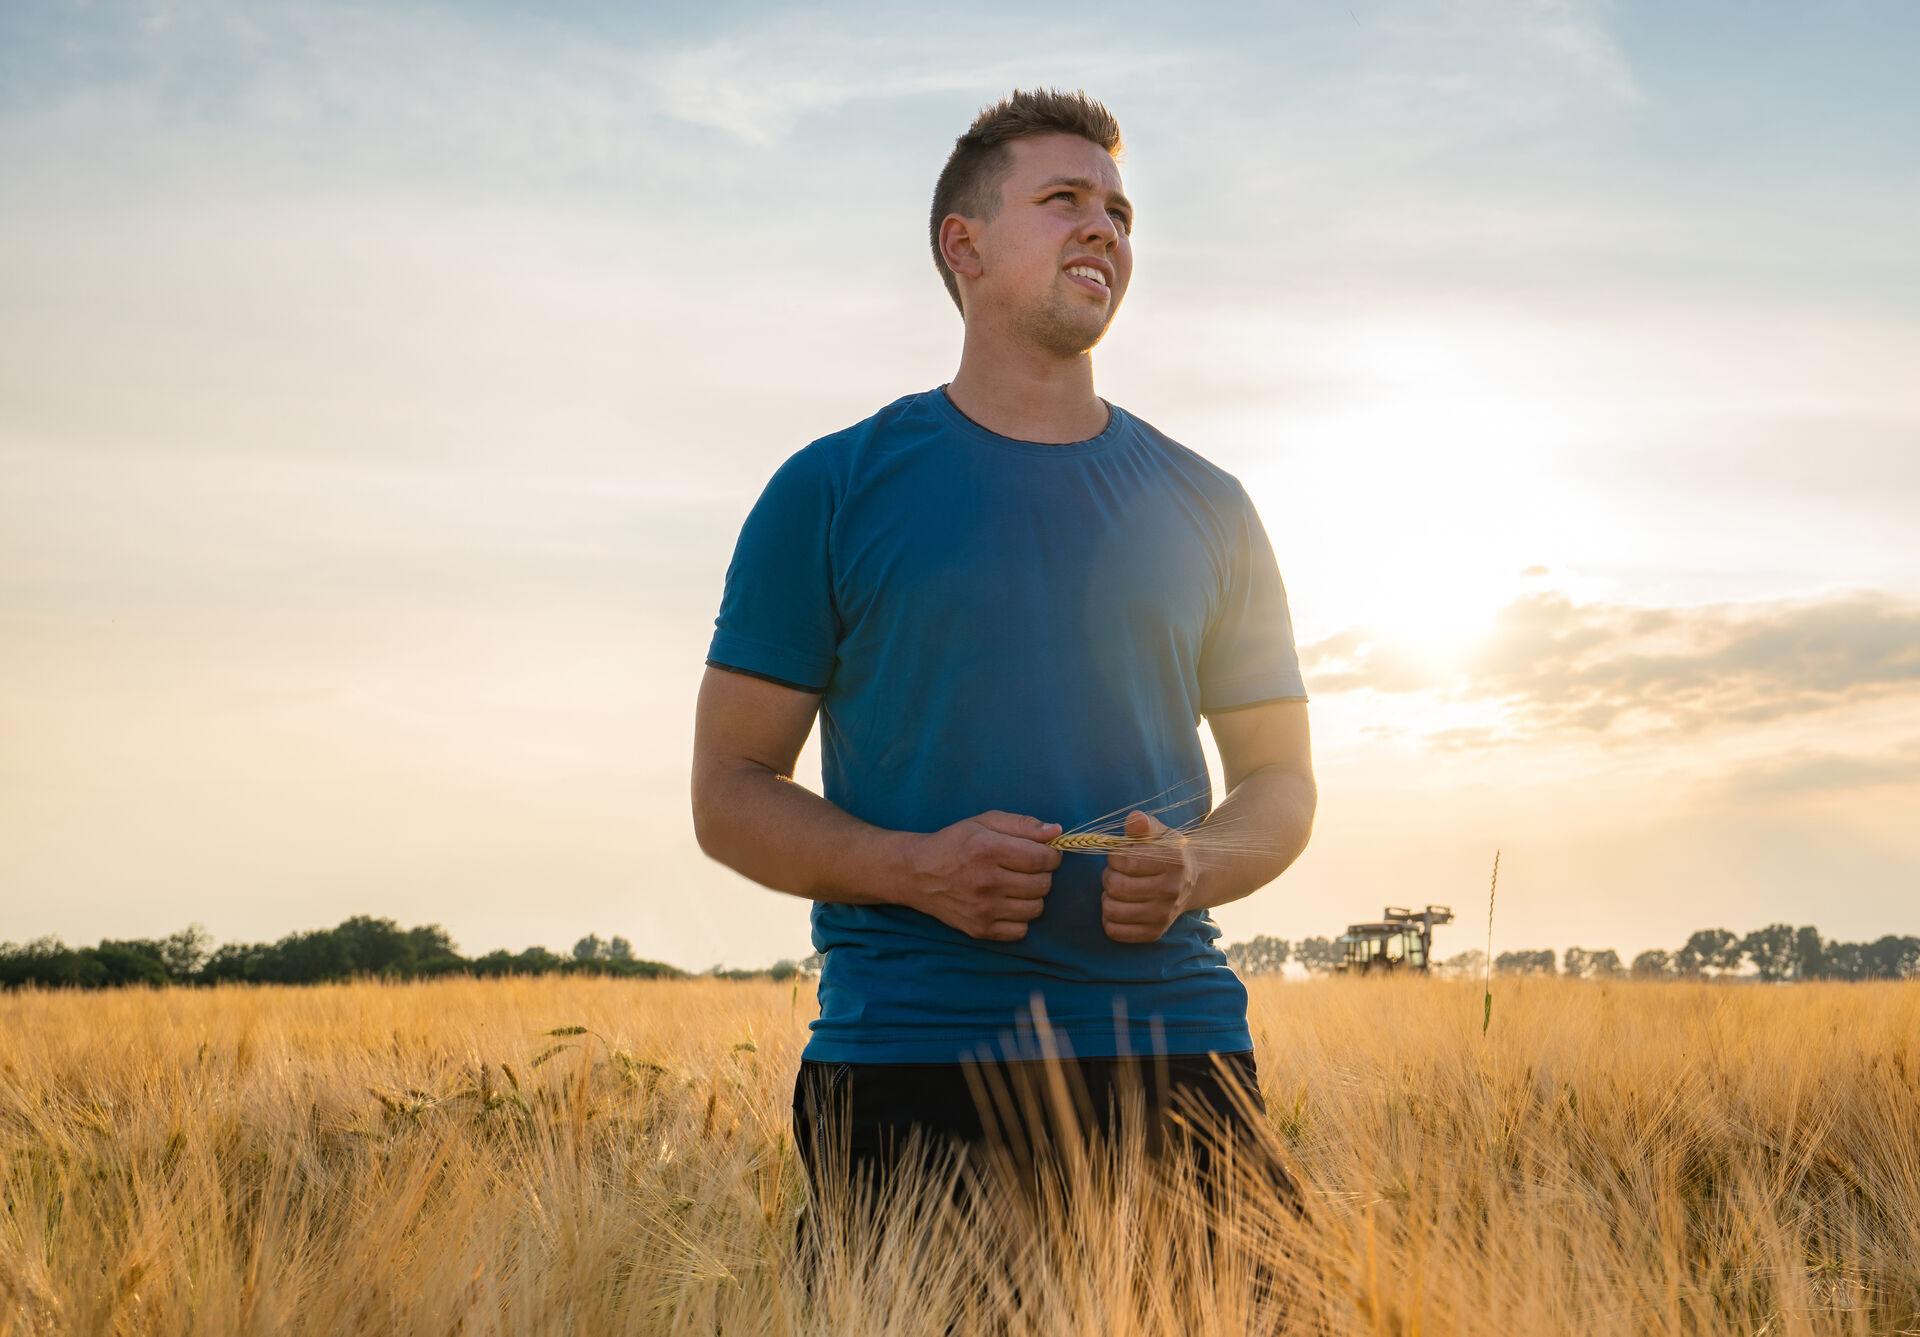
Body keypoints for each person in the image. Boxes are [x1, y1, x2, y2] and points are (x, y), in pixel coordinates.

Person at [690, 87, 1317, 1260]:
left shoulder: (1211, 506)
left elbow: (1282, 779)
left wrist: (1198, 865)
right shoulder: (828, 491)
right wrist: (914, 868)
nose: (1106, 230)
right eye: (1064, 200)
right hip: (912, 1056)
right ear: (962, 246)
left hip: (1176, 1048)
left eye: (1123, 213)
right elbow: (728, 790)